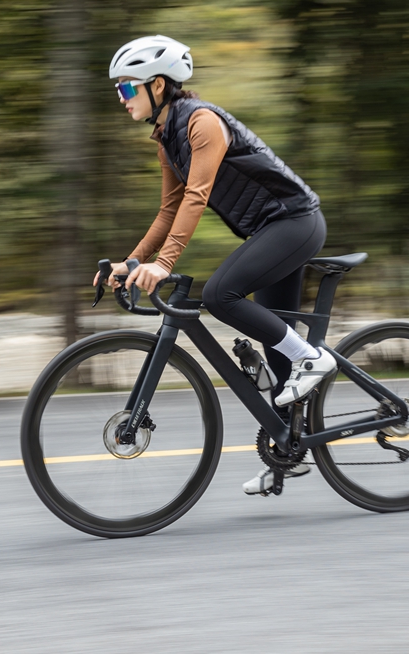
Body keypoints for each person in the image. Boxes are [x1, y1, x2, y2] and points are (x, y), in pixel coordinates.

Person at [94, 35, 333, 496]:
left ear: (157, 85)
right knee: (275, 347)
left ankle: (315, 358)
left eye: (126, 89)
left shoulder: (202, 123)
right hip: (269, 232)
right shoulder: (168, 140)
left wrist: (164, 264)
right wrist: (132, 262)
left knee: (219, 294)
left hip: (295, 222)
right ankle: (288, 451)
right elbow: (169, 209)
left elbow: (196, 197)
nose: (121, 100)